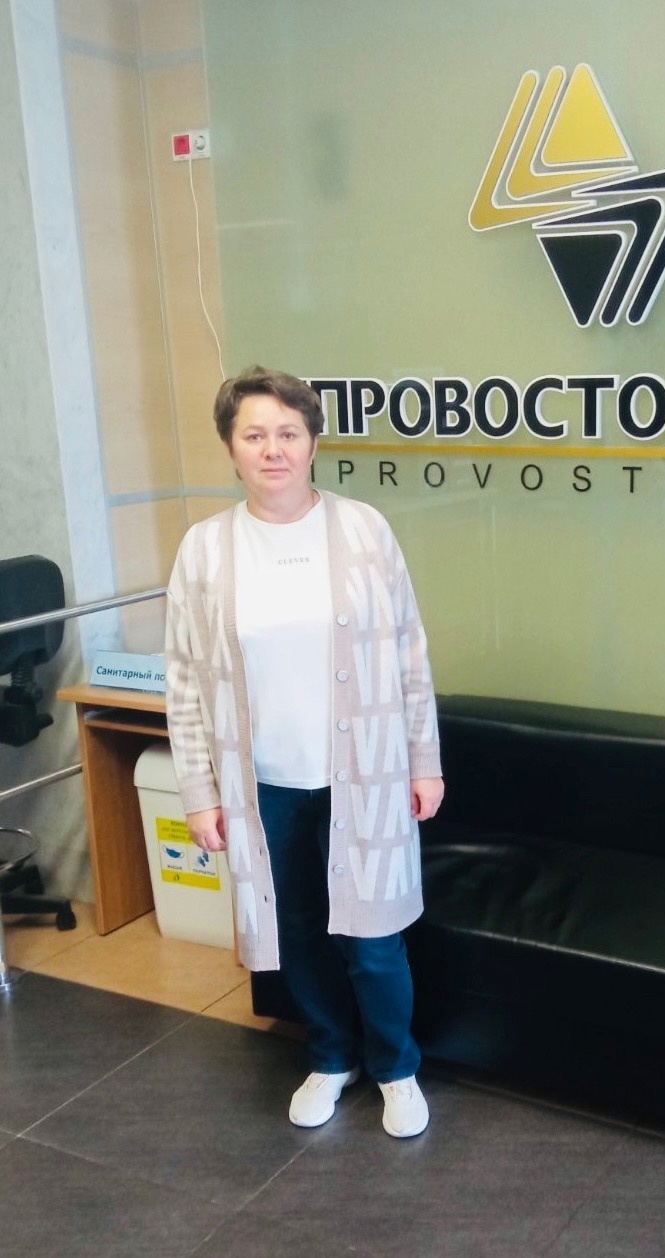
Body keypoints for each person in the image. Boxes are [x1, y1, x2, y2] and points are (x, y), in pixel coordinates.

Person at [164, 365, 443, 1137]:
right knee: (297, 932)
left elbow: (409, 652)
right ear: (231, 448)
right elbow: (183, 679)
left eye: (288, 433)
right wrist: (200, 793)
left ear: (313, 443)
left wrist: (424, 761)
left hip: (365, 776)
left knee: (374, 940)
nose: (273, 449)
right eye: (254, 434)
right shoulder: (204, 549)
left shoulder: (363, 530)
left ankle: (396, 1068)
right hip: (263, 786)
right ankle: (330, 1057)